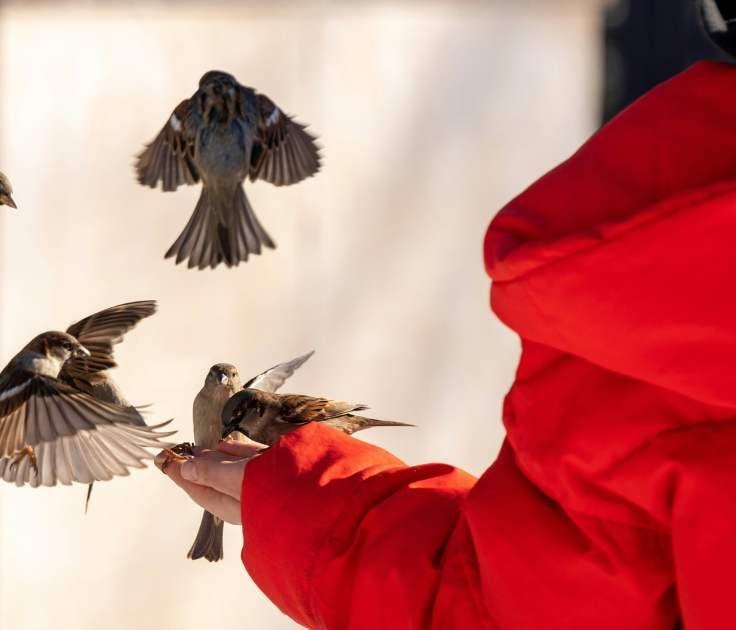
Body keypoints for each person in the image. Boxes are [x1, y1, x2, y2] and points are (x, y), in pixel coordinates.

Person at [158, 2, 736, 627]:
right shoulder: (634, 296)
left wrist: (327, 519)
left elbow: (539, 601)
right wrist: (319, 509)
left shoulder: (628, 301)